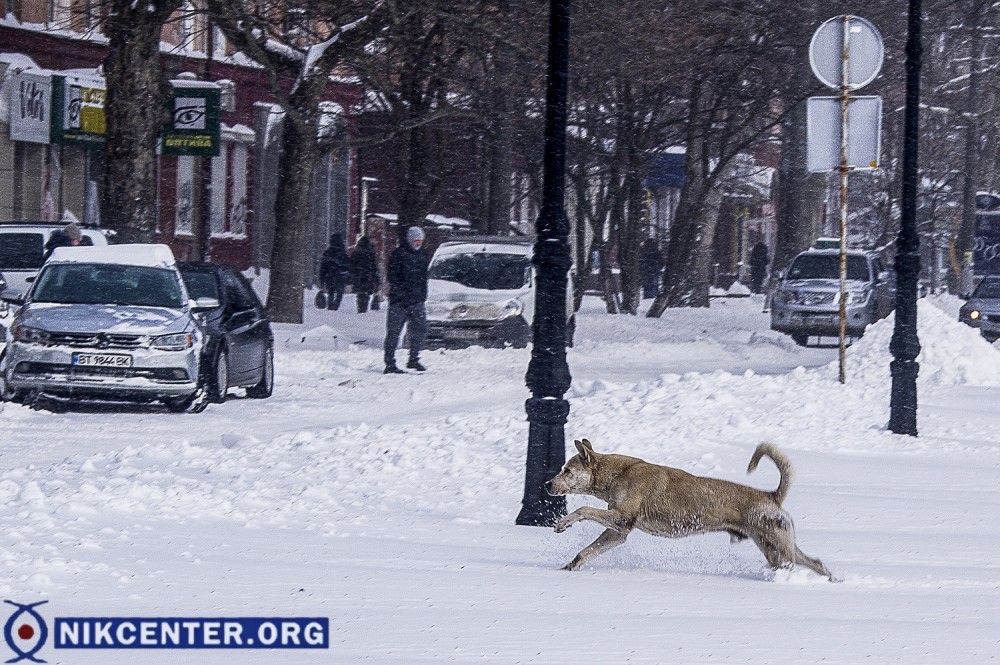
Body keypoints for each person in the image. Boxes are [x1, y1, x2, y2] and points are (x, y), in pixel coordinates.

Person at [383, 226, 429, 374]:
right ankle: (390, 363)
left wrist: (422, 296)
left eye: (420, 241)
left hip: (417, 301)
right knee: (394, 333)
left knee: (420, 330)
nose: (418, 243)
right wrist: (401, 294)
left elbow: (423, 278)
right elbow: (393, 277)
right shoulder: (399, 254)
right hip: (399, 302)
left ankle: (413, 359)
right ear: (409, 240)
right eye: (416, 240)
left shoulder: (422, 255)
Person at [319, 233, 350, 311]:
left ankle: (330, 305)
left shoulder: (327, 252)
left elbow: (323, 267)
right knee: (339, 293)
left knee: (331, 292)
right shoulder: (343, 252)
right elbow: (347, 265)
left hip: (330, 276)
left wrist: (322, 278)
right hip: (340, 276)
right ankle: (336, 306)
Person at [350, 234, 379, 313]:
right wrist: (376, 279)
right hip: (367, 277)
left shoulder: (356, 252)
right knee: (365, 295)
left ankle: (360, 308)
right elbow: (374, 267)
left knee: (360, 295)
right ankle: (364, 309)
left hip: (358, 277)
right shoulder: (370, 253)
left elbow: (351, 265)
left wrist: (353, 275)